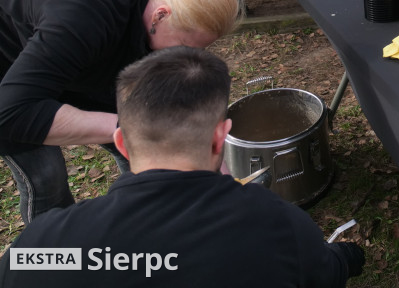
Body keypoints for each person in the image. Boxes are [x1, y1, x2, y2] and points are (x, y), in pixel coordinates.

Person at [0, 47, 364, 287]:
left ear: (122, 142)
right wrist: (349, 256)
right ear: (220, 138)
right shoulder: (280, 227)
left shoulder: (46, 245)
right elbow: (326, 274)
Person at [0, 0, 243, 223]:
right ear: (161, 15)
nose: (187, 58)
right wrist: (128, 126)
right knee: (46, 174)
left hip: (64, 49)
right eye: (185, 46)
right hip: (7, 65)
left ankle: (154, 228)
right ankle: (53, 257)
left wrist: (208, 158)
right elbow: (9, 114)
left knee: (150, 148)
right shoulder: (83, 15)